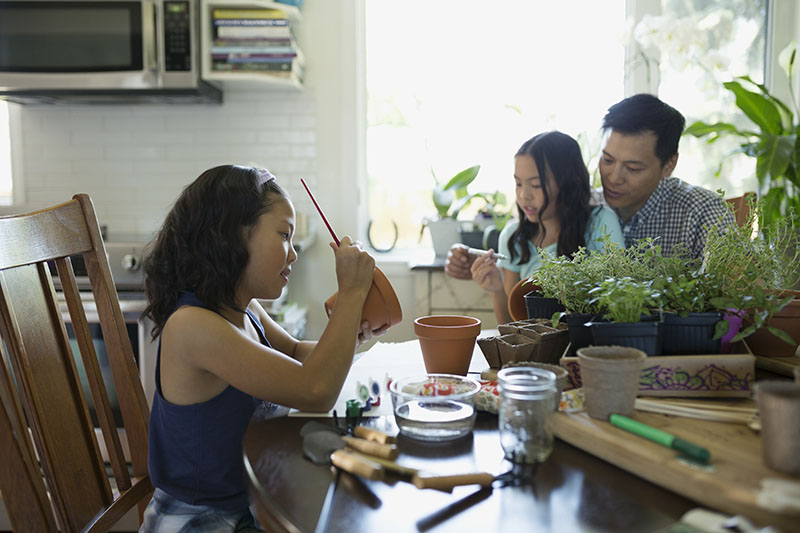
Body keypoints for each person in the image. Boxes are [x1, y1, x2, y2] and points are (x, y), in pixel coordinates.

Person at [139, 165, 385, 531]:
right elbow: (314, 390)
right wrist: (351, 293)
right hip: (199, 520)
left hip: (250, 503)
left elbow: (299, 355)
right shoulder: (194, 326)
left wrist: (347, 334)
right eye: (284, 235)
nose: (293, 254)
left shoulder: (245, 309)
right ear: (231, 237)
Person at [446, 131, 623, 324]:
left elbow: (616, 303)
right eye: (518, 183)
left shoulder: (600, 223)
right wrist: (496, 290)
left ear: (569, 183)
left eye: (536, 185)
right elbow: (512, 327)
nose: (524, 195)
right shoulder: (513, 237)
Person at [598, 93, 734, 259]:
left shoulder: (701, 213)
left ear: (669, 165)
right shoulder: (579, 205)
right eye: (607, 160)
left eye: (633, 168)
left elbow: (735, 280)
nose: (613, 178)